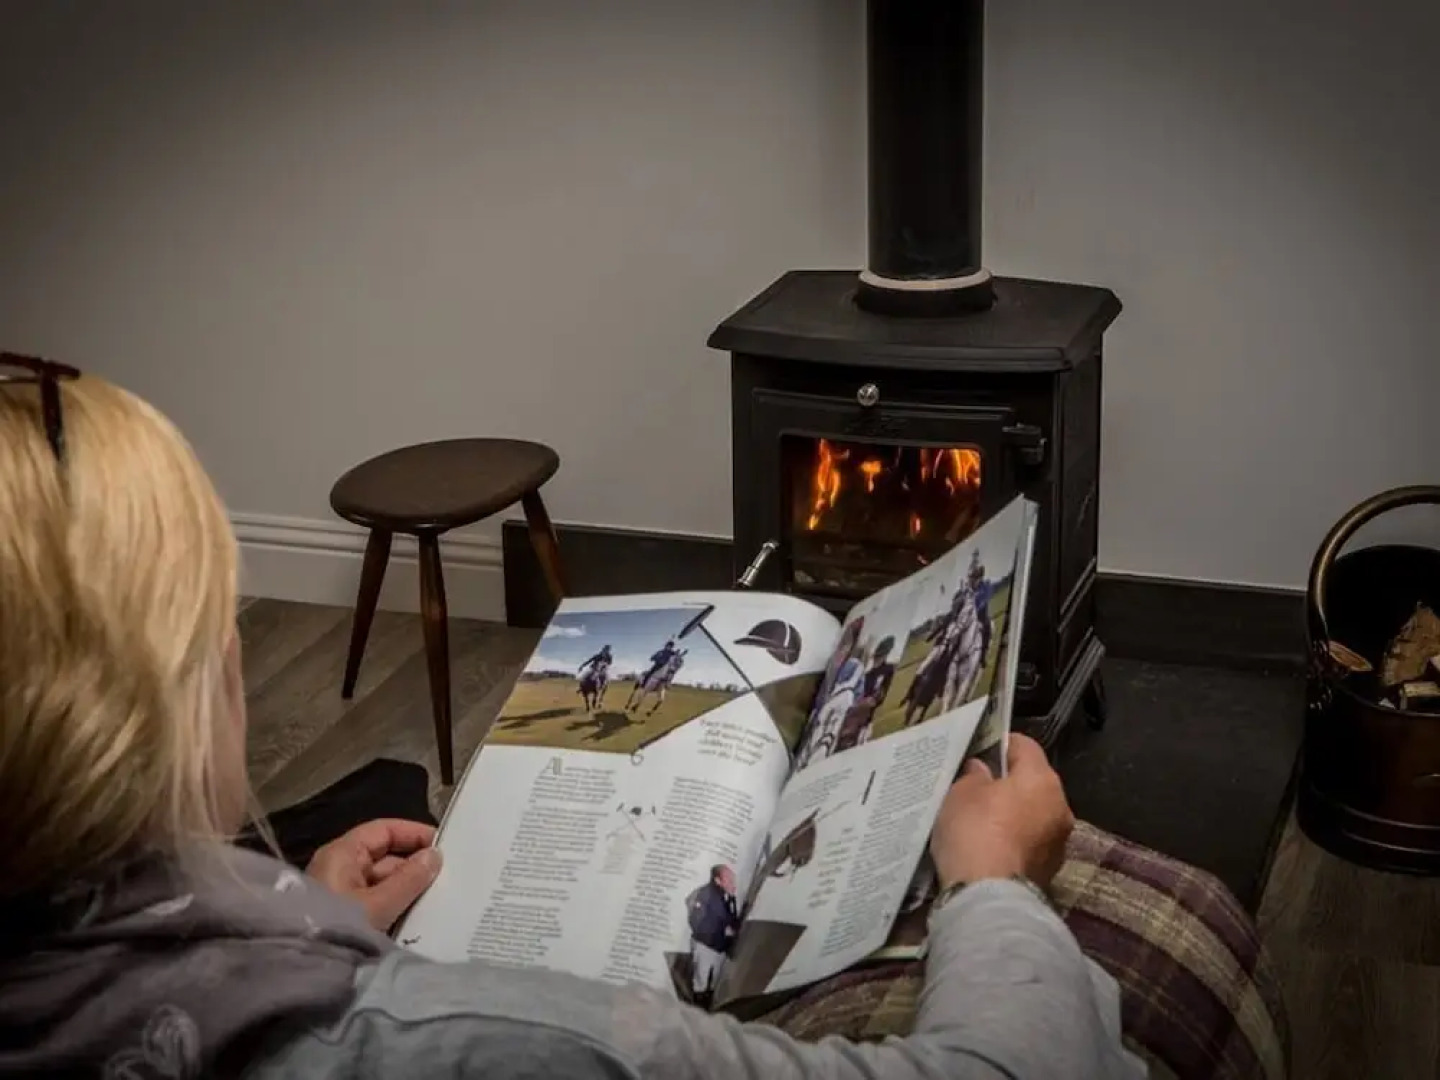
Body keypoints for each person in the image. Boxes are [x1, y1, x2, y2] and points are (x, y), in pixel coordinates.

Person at [0, 358, 1145, 1078]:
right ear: (152, 706)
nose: (241, 647)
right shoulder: (469, 1043)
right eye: (217, 619)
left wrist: (297, 908)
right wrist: (995, 882)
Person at [685, 864, 740, 1000]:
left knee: (713, 982)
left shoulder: (727, 896)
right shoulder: (705, 894)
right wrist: (721, 932)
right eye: (729, 879)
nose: (732, 882)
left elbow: (731, 920)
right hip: (706, 945)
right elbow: (697, 921)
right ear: (717, 880)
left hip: (718, 946)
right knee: (701, 982)